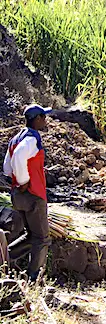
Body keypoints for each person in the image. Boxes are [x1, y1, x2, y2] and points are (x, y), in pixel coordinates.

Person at [2, 104, 51, 281]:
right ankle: (34, 278)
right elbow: (19, 157)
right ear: (37, 119)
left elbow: (7, 168)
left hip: (18, 196)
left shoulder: (15, 139)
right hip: (33, 194)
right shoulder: (31, 138)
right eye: (43, 117)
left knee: (32, 236)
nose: (45, 120)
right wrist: (24, 181)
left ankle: (3, 259)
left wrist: (17, 181)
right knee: (42, 238)